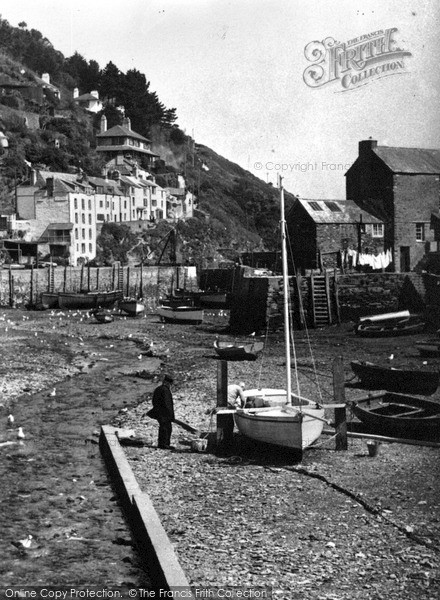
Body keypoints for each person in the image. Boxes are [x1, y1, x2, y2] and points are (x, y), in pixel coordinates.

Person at [148, 374, 175, 449]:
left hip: (159, 411)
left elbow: (154, 401)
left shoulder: (158, 389)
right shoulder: (166, 390)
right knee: (166, 428)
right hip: (165, 413)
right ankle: (164, 444)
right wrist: (171, 415)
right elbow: (168, 404)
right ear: (168, 383)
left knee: (163, 428)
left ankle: (163, 443)